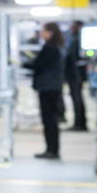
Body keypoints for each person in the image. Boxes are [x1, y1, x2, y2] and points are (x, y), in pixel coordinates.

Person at [29, 22, 66, 160]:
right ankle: (52, 149)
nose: (41, 33)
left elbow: (40, 65)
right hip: (52, 88)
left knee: (49, 121)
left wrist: (24, 64)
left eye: (43, 30)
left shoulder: (51, 48)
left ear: (50, 32)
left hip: (48, 89)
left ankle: (52, 150)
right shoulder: (57, 47)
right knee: (51, 121)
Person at [65, 20, 89, 132]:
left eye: (74, 26)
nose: (71, 28)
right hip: (75, 75)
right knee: (77, 98)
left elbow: (73, 59)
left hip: (75, 75)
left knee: (77, 99)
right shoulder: (76, 39)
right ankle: (79, 123)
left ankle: (79, 124)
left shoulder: (77, 40)